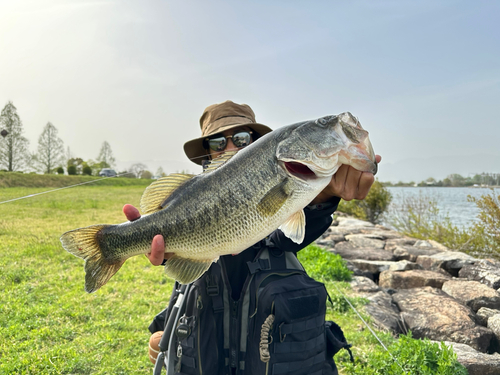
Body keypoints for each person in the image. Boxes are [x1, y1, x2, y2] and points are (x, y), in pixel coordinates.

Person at [123, 100, 381, 374]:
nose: (231, 147)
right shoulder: (192, 196)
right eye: (218, 142)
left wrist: (325, 198)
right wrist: (161, 330)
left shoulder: (292, 183)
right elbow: (183, 292)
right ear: (207, 154)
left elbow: (286, 238)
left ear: (259, 144)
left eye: (242, 138)